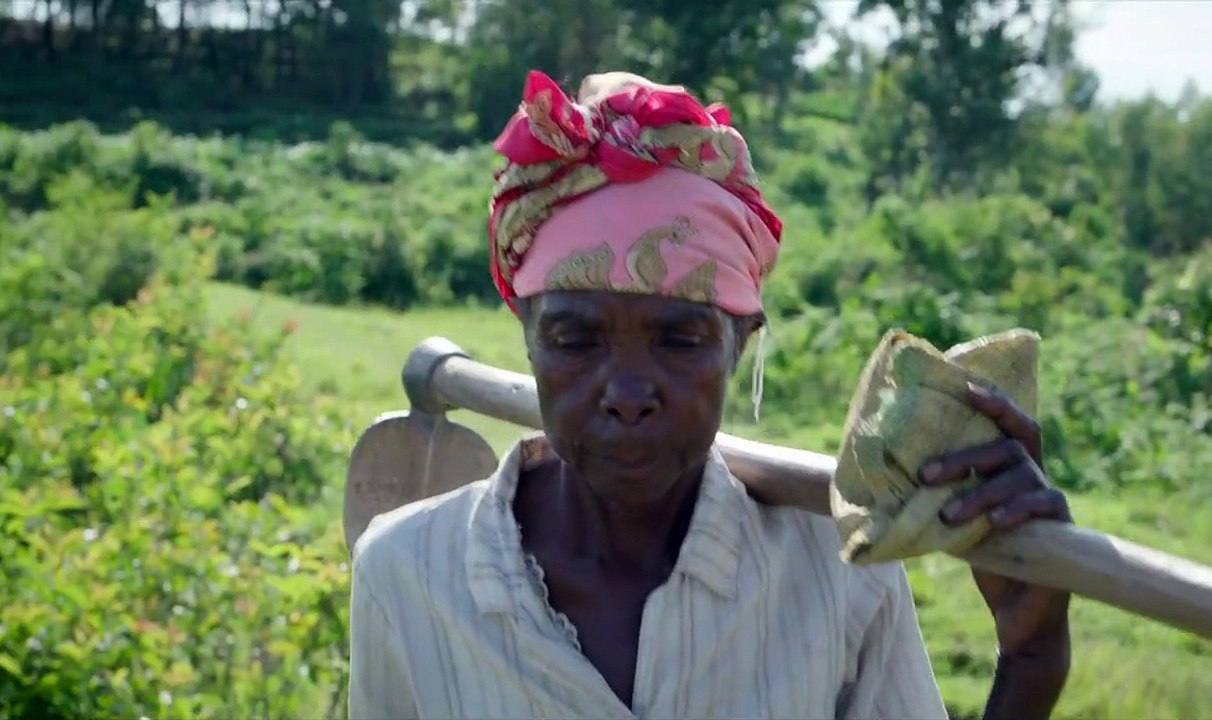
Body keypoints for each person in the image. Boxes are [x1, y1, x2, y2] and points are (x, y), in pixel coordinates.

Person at [347, 70, 1073, 720]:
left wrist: (1030, 663)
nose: (627, 394)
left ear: (741, 342)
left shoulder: (836, 575)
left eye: (679, 340)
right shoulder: (408, 572)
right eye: (576, 341)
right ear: (527, 335)